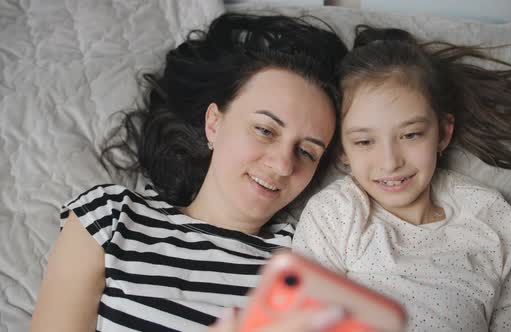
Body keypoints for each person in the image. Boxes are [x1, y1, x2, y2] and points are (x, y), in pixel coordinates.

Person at [29, 13, 349, 332]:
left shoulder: (310, 262)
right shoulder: (109, 219)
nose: (282, 165)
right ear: (214, 123)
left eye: (307, 152)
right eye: (265, 130)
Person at [292, 26, 511, 331]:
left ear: (443, 133)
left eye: (411, 135)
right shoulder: (335, 214)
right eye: (365, 142)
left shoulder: (489, 214)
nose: (391, 162)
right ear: (342, 149)